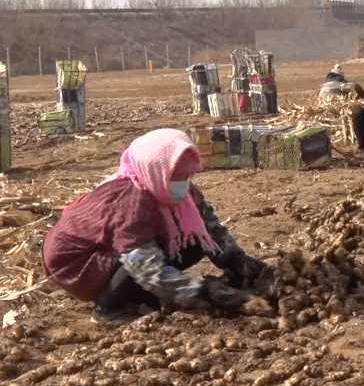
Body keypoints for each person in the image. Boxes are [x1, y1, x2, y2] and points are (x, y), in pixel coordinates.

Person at [41, 129, 271, 324]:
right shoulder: (131, 202)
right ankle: (110, 308)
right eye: (176, 177)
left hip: (116, 252)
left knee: (195, 238)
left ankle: (139, 295)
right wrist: (208, 293)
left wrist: (240, 264)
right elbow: (145, 266)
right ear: (157, 170)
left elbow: (209, 229)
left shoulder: (173, 188)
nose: (183, 185)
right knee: (141, 263)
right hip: (76, 264)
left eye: (187, 177)